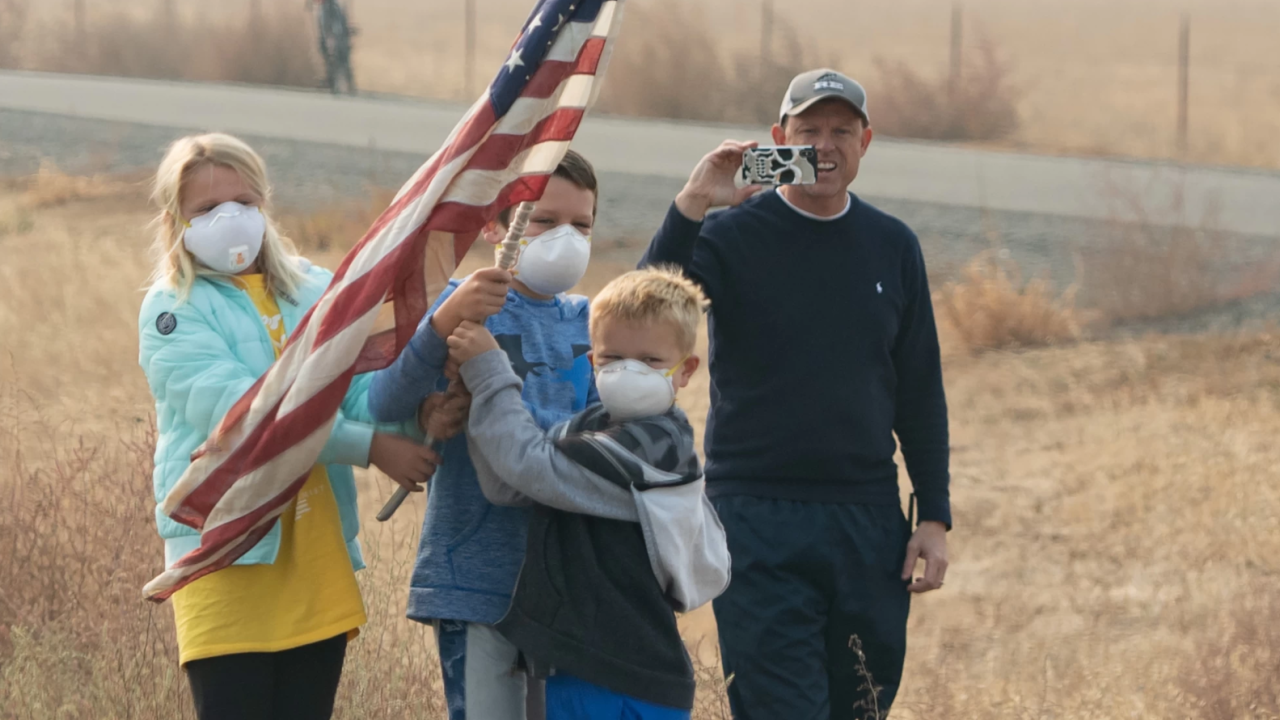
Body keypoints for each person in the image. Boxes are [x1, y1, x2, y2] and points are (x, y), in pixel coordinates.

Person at [639, 69, 952, 719]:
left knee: (861, 706)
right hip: (756, 515)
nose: (825, 147)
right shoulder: (728, 235)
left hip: (867, 520)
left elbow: (919, 387)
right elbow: (644, 317)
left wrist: (933, 516)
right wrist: (695, 202)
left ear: (867, 142)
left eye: (842, 131)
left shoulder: (894, 247)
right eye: (808, 131)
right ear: (779, 139)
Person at [137, 133, 437, 720]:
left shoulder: (316, 289)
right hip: (226, 553)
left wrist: (417, 413)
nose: (232, 219)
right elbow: (242, 420)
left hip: (314, 555)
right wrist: (372, 447)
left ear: (265, 205)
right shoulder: (171, 310)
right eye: (208, 210)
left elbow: (353, 391)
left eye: (245, 204)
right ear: (176, 219)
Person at [366, 151, 600, 720]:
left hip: (564, 584)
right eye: (544, 220)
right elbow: (383, 401)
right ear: (497, 225)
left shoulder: (592, 322)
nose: (564, 237)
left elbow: (595, 441)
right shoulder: (465, 304)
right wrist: (444, 323)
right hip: (475, 577)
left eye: (582, 225)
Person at [444, 266, 731, 720]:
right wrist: (473, 406)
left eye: (650, 361)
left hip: (626, 677)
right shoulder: (592, 428)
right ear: (592, 360)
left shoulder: (656, 446)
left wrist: (489, 371)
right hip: (581, 668)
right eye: (612, 358)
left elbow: (532, 464)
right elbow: (510, 483)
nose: (627, 371)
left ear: (686, 370)